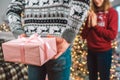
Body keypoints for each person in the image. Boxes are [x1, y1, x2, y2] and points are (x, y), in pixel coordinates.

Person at [5, 0, 90, 80]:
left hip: (57, 46)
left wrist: (68, 35)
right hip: (33, 48)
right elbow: (12, 9)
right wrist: (19, 33)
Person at [81, 0, 118, 80]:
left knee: (104, 77)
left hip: (104, 52)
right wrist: (89, 23)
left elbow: (112, 35)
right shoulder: (91, 12)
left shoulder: (112, 12)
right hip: (91, 51)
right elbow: (83, 35)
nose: (97, 1)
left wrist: (95, 26)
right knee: (92, 77)